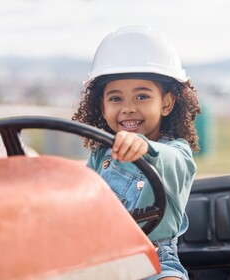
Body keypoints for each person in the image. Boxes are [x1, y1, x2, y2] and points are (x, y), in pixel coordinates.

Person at [72, 25, 201, 280]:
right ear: (102, 106)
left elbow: (170, 161)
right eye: (116, 99)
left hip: (155, 261)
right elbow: (80, 201)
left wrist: (145, 147)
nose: (128, 108)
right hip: (101, 261)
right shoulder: (100, 156)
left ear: (166, 103)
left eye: (142, 96)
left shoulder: (176, 152)